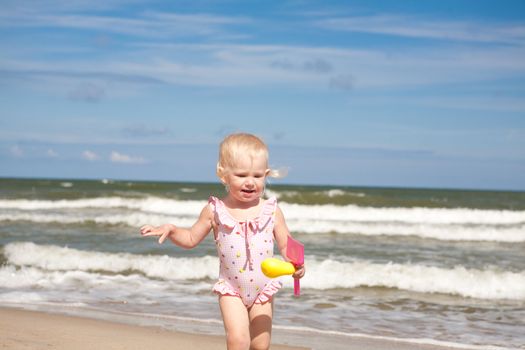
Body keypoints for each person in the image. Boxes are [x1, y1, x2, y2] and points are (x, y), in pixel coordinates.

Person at [140, 132, 305, 350]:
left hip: (263, 288)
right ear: (223, 175)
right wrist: (172, 230)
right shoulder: (215, 210)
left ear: (266, 175)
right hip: (232, 289)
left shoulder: (271, 210)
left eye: (257, 176)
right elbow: (190, 238)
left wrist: (296, 265)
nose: (250, 182)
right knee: (238, 341)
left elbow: (285, 243)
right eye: (241, 175)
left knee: (260, 344)